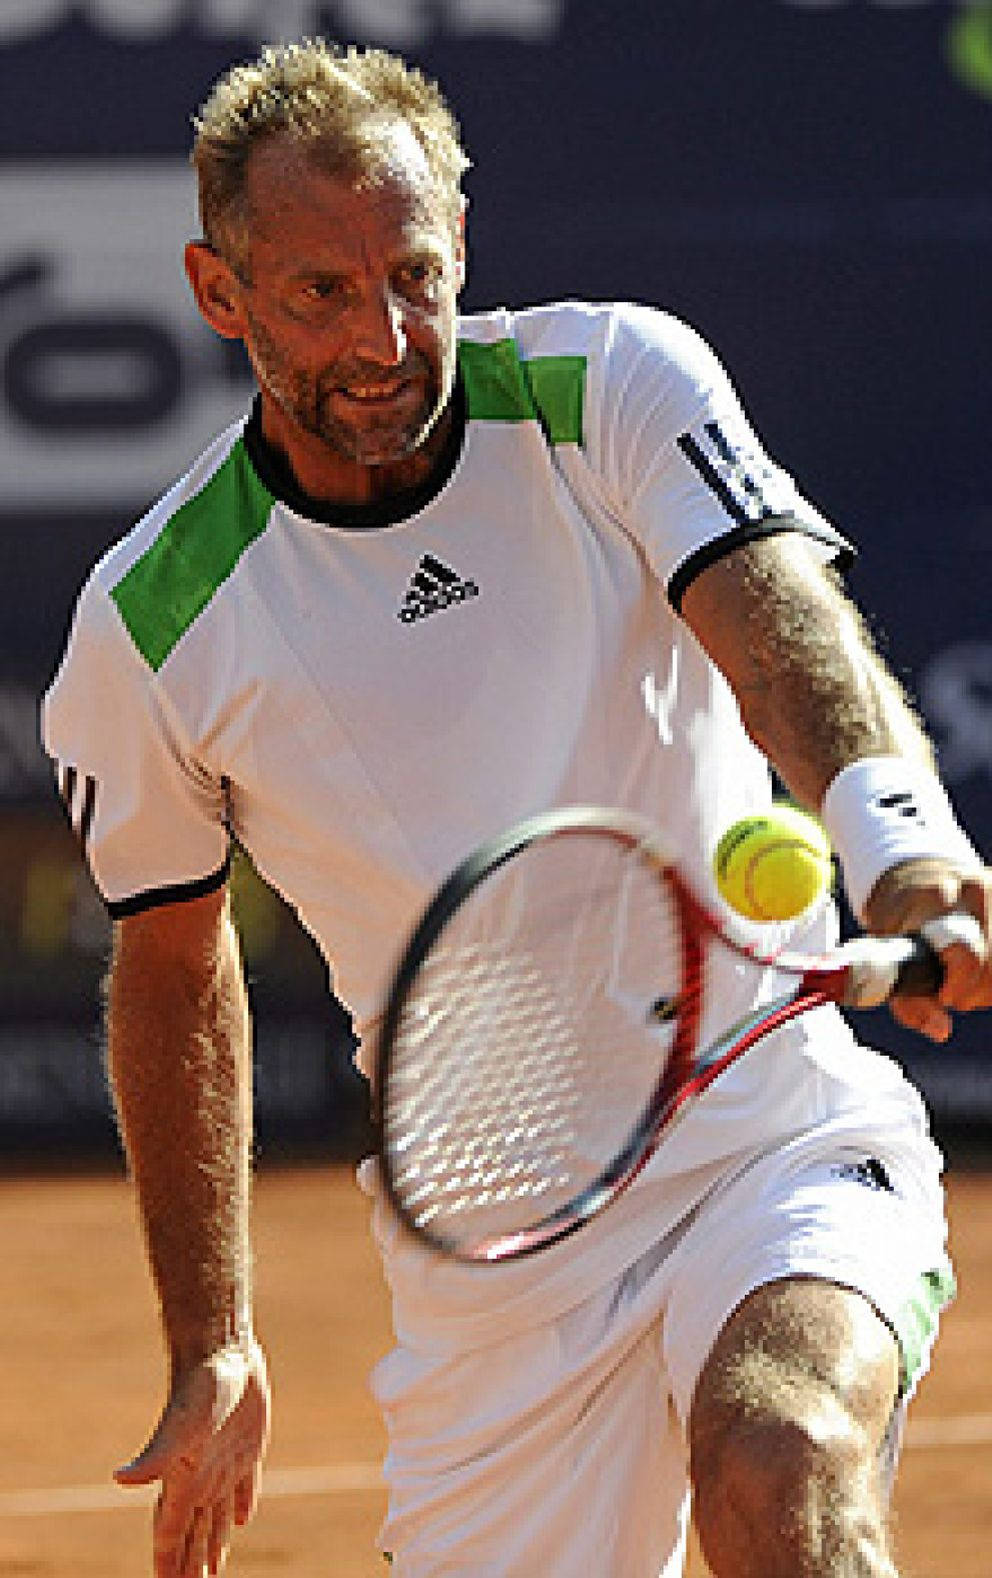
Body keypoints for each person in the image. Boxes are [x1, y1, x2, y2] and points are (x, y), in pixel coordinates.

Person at [42, 38, 991, 1578]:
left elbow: (774, 618)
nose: (384, 337)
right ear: (222, 294)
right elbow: (173, 966)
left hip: (769, 1132)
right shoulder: (148, 625)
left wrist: (898, 837)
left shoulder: (607, 381)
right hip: (495, 1265)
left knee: (781, 1461)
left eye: (413, 274)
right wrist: (213, 1332)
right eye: (318, 295)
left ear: (461, 243)